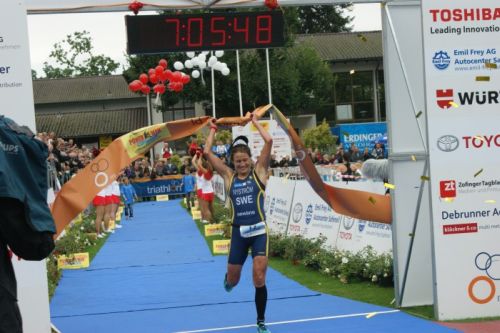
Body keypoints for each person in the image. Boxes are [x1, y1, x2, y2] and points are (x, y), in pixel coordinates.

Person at [204, 114, 273, 333]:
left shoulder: (259, 173)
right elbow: (207, 152)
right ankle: (228, 279)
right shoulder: (228, 176)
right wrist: (213, 129)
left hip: (259, 231)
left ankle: (261, 322)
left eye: (245, 160)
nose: (242, 164)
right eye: (238, 161)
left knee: (259, 276)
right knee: (234, 280)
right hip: (238, 234)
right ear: (232, 163)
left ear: (251, 160)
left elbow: (269, 141)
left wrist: (253, 122)